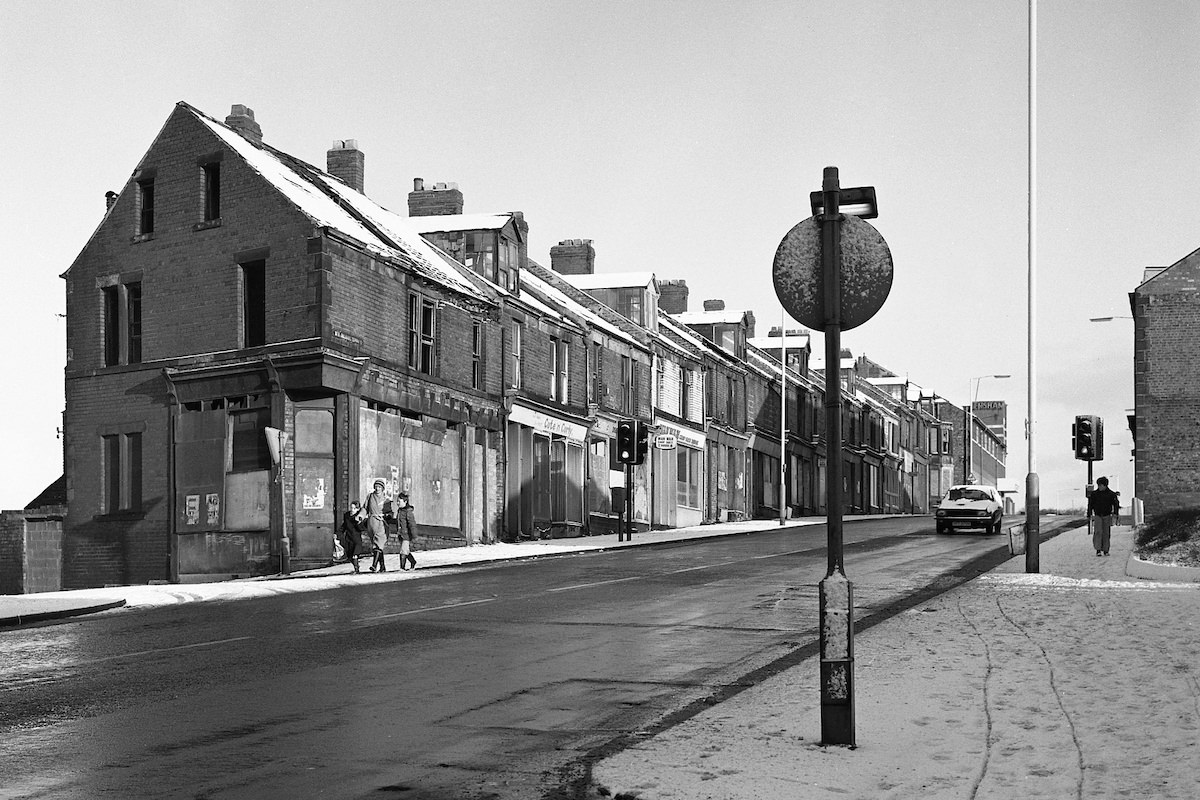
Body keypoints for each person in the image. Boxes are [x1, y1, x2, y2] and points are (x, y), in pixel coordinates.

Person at [1087, 476, 1121, 556]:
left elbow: (1116, 504)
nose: (1099, 487)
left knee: (1106, 533)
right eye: (1098, 485)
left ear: (1105, 485)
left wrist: (1115, 513)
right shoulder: (1094, 494)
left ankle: (1106, 550)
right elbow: (1090, 505)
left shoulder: (1111, 494)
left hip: (1107, 515)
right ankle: (1098, 549)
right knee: (1098, 532)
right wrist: (1089, 514)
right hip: (1098, 515)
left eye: (1101, 485)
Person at [364, 479, 389, 572]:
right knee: (377, 545)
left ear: (382, 488)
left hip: (381, 523)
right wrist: (360, 516)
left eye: (379, 487)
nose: (377, 489)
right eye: (376, 486)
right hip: (372, 523)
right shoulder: (370, 496)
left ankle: (374, 565)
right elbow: (365, 508)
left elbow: (389, 512)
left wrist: (386, 516)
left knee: (378, 544)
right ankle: (382, 566)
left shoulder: (386, 499)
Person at [338, 500, 366, 573]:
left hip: (356, 539)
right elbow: (344, 525)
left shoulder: (358, 517)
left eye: (354, 508)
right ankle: (356, 566)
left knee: (355, 555)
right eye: (351, 508)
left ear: (357, 509)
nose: (352, 510)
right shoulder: (347, 515)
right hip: (348, 538)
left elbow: (361, 528)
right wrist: (338, 533)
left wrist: (358, 522)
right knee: (349, 556)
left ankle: (356, 569)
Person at [394, 491, 418, 571]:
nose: (397, 503)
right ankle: (413, 562)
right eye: (397, 501)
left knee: (403, 551)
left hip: (406, 535)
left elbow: (412, 524)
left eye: (399, 501)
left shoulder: (408, 511)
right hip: (401, 534)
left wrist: (414, 535)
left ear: (405, 501)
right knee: (406, 551)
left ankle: (402, 568)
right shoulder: (400, 511)